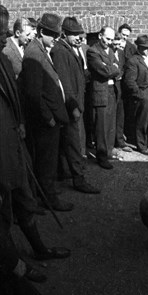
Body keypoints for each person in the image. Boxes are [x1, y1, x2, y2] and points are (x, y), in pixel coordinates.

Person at [0, 5, 70, 289]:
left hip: (13, 147)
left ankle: (38, 249)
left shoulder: (3, 61)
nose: (4, 39)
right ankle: (14, 268)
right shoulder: (24, 56)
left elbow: (15, 101)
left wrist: (19, 127)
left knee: (25, 200)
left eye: (4, 32)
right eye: (0, 33)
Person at [19, 13, 72, 212]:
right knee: (46, 162)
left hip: (50, 118)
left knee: (47, 160)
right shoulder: (34, 53)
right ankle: (49, 200)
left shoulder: (41, 49)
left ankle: (45, 195)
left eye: (58, 34)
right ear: (41, 32)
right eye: (52, 35)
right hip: (44, 122)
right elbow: (33, 93)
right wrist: (48, 117)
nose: (56, 39)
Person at [50, 17, 100, 194]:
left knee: (69, 142)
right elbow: (64, 82)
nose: (79, 37)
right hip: (70, 107)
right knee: (73, 143)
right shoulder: (61, 52)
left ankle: (64, 173)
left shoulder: (70, 49)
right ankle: (79, 179)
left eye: (80, 34)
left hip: (75, 104)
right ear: (64, 34)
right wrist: (73, 107)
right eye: (74, 34)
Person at [87, 26, 120, 169]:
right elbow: (105, 71)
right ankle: (101, 156)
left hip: (112, 90)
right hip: (101, 92)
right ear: (100, 36)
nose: (109, 42)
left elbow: (117, 68)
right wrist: (112, 68)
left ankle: (109, 151)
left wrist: (112, 67)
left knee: (111, 124)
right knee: (101, 126)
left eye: (112, 39)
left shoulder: (111, 50)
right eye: (107, 39)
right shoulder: (93, 51)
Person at [124, 35, 148, 155]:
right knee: (141, 121)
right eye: (145, 48)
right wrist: (139, 95)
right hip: (142, 93)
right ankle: (141, 145)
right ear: (139, 47)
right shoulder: (133, 60)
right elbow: (130, 81)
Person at [111, 33, 132, 154]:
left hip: (120, 85)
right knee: (111, 115)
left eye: (119, 44)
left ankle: (119, 140)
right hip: (110, 85)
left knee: (120, 114)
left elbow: (124, 67)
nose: (117, 47)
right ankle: (111, 142)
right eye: (115, 44)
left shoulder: (120, 53)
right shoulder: (108, 52)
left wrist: (121, 74)